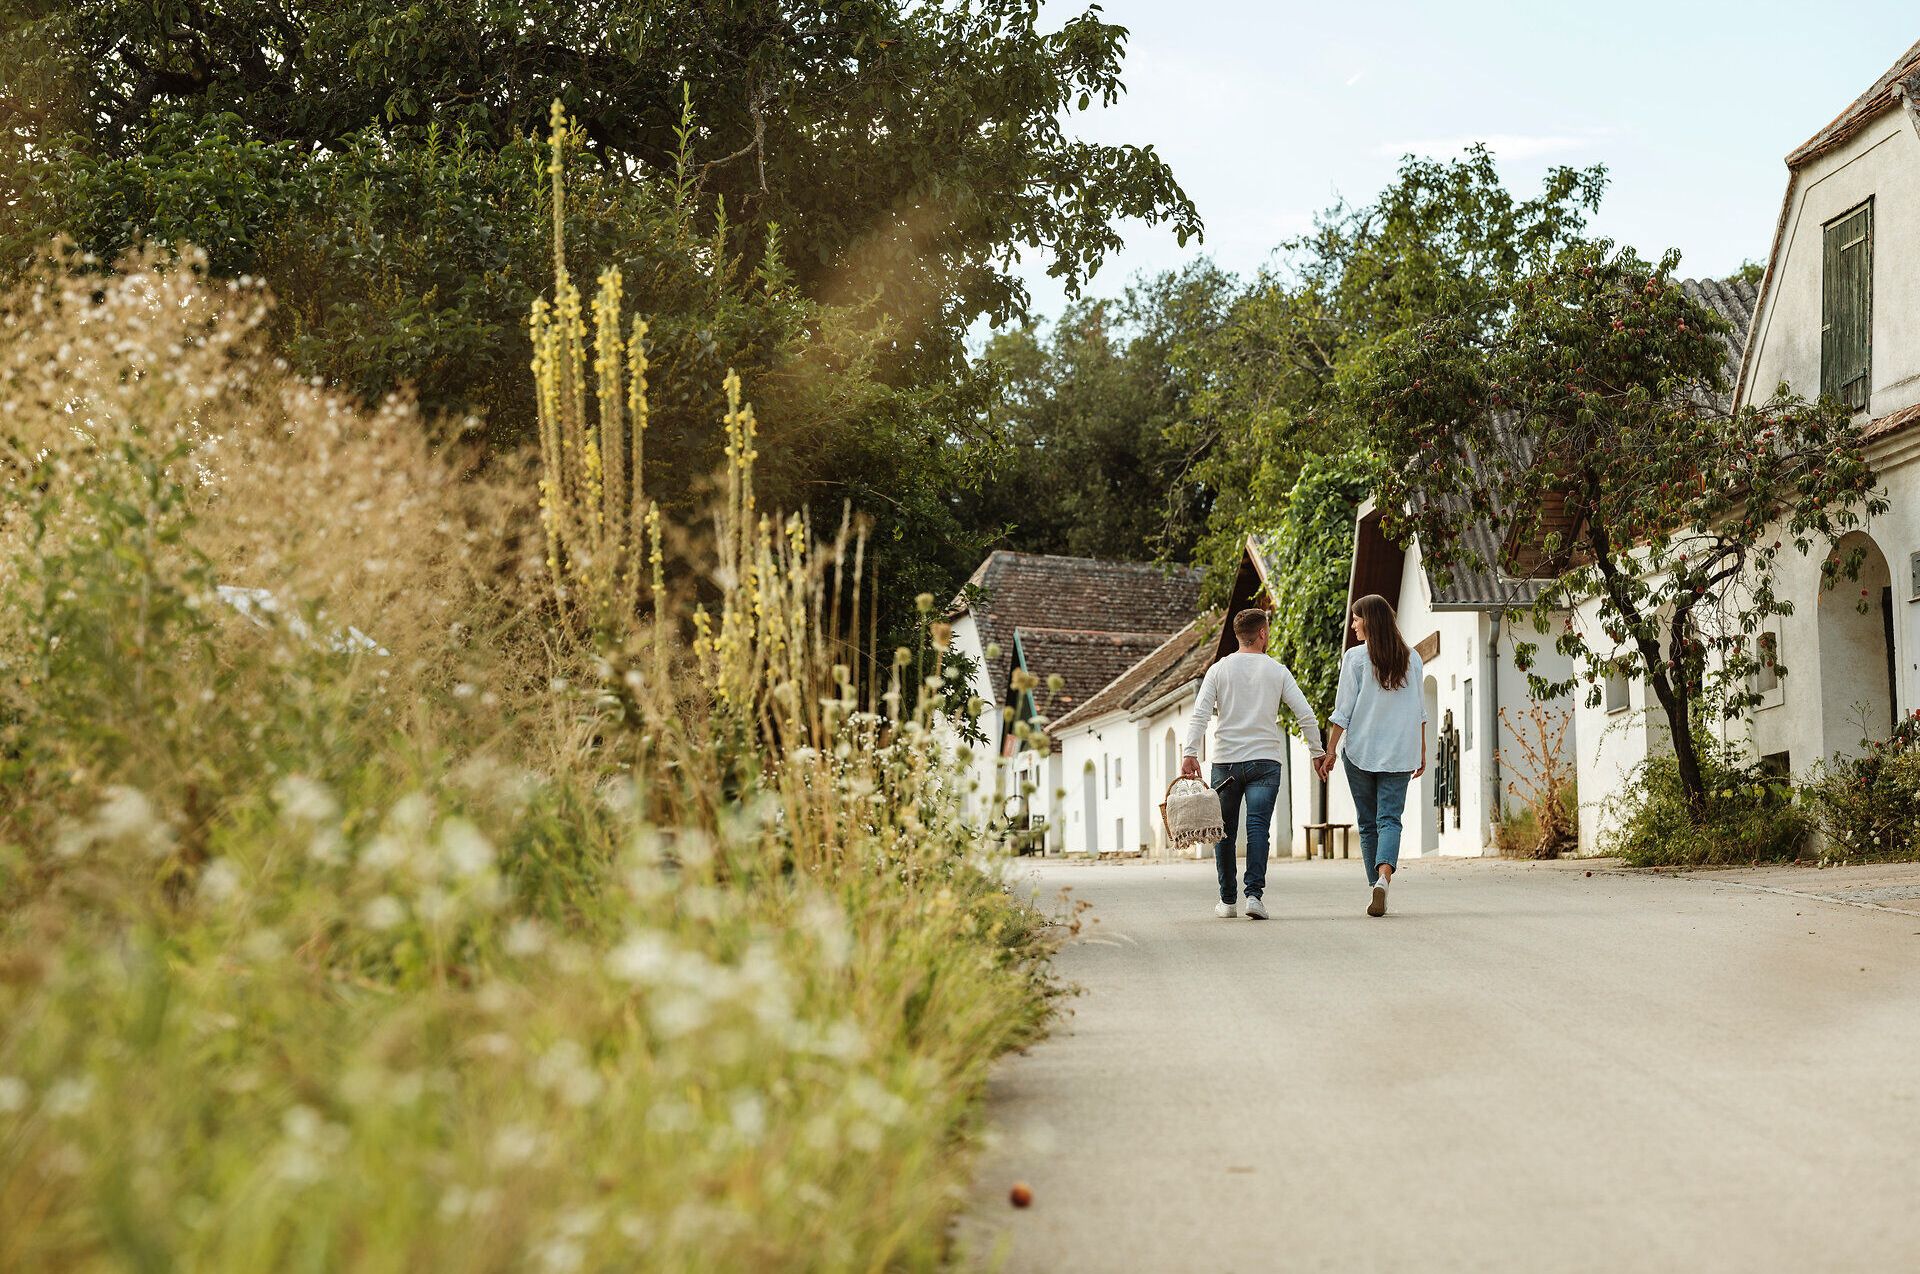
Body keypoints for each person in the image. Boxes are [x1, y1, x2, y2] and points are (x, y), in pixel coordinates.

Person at [1181, 608, 1324, 920]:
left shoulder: (1219, 670)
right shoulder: (1277, 671)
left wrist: (1190, 752)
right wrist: (1317, 752)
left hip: (1226, 763)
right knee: (1258, 826)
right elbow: (1305, 714)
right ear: (1263, 634)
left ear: (1238, 635)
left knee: (1224, 831)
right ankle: (1254, 896)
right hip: (1265, 761)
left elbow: (1200, 714)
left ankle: (1227, 901)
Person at [1315, 593, 1426, 917]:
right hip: (1399, 752)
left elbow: (1343, 711)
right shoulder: (1413, 658)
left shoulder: (1356, 658)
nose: (1353, 624)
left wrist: (1331, 749)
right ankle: (1383, 879)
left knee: (1367, 823)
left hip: (1361, 750)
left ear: (1370, 620)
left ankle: (1375, 885)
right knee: (1390, 819)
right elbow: (1420, 711)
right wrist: (1420, 750)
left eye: (1356, 618)